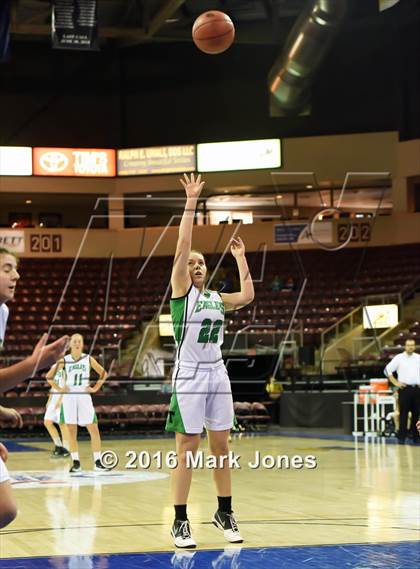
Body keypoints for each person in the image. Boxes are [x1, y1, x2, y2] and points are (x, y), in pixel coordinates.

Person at [166, 173, 254, 548]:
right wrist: (191, 202)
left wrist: (241, 257)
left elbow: (247, 295)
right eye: (192, 262)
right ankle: (180, 521)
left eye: (202, 263)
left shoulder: (217, 298)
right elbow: (184, 244)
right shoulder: (181, 293)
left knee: (222, 446)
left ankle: (224, 511)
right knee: (187, 447)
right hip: (189, 375)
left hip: (217, 373)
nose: (197, 265)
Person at [0, 247, 68, 529]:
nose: (16, 275)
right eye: (6, 269)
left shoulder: (1, 312)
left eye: (15, 269)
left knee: (5, 509)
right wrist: (34, 364)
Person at [48, 334, 108, 473]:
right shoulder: (64, 360)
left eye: (79, 341)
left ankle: (98, 462)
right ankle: (76, 463)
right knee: (71, 431)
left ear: (82, 344)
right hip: (69, 398)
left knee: (93, 429)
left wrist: (95, 388)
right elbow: (49, 377)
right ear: (70, 345)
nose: (77, 344)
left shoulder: (88, 358)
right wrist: (60, 389)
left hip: (84, 397)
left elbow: (103, 373)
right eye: (74, 341)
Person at [385, 338, 420, 443]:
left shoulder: (418, 358)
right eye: (408, 345)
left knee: (416, 414)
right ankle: (402, 436)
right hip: (404, 389)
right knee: (403, 413)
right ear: (405, 346)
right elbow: (387, 370)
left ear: (414, 346)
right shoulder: (399, 358)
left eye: (412, 345)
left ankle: (415, 436)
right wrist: (396, 383)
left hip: (417, 389)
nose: (410, 347)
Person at [44, 365, 70, 458]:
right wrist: (49, 400)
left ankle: (67, 449)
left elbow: (68, 385)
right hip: (54, 398)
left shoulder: (66, 367)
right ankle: (58, 446)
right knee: (47, 422)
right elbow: (53, 386)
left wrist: (61, 399)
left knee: (62, 424)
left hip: (63, 398)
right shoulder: (54, 366)